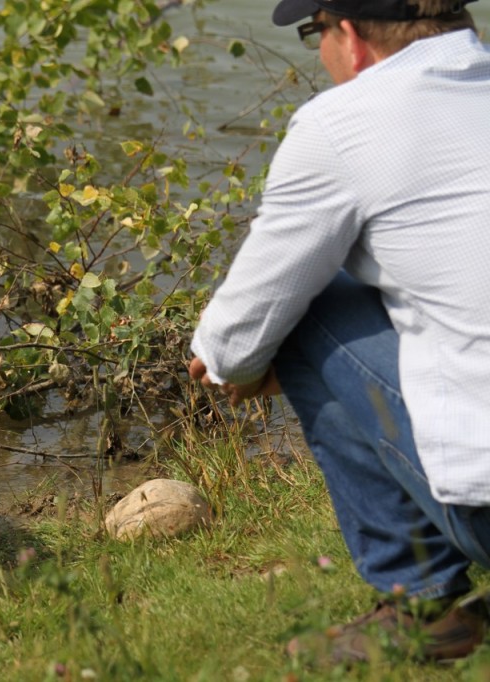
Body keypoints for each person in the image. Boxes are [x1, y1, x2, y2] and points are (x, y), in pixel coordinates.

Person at [188, 0, 490, 666]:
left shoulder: (345, 123)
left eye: (312, 33)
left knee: (307, 308)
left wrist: (241, 362)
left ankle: (419, 605)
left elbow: (232, 342)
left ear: (348, 36)